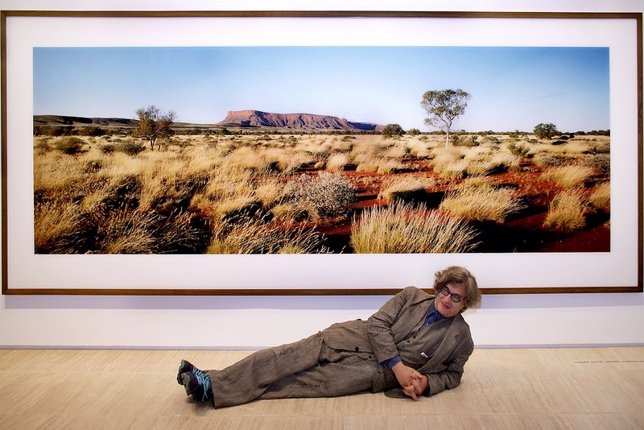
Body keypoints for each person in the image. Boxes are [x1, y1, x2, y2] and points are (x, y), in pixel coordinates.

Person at [177, 265, 481, 408]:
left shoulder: (461, 339)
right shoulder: (411, 295)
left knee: (302, 383)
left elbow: (453, 375)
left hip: (367, 373)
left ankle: (211, 387)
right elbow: (377, 325)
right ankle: (210, 383)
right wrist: (399, 368)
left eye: (456, 298)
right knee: (283, 358)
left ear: (465, 304)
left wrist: (428, 384)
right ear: (439, 287)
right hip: (349, 337)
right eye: (446, 291)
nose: (447, 299)